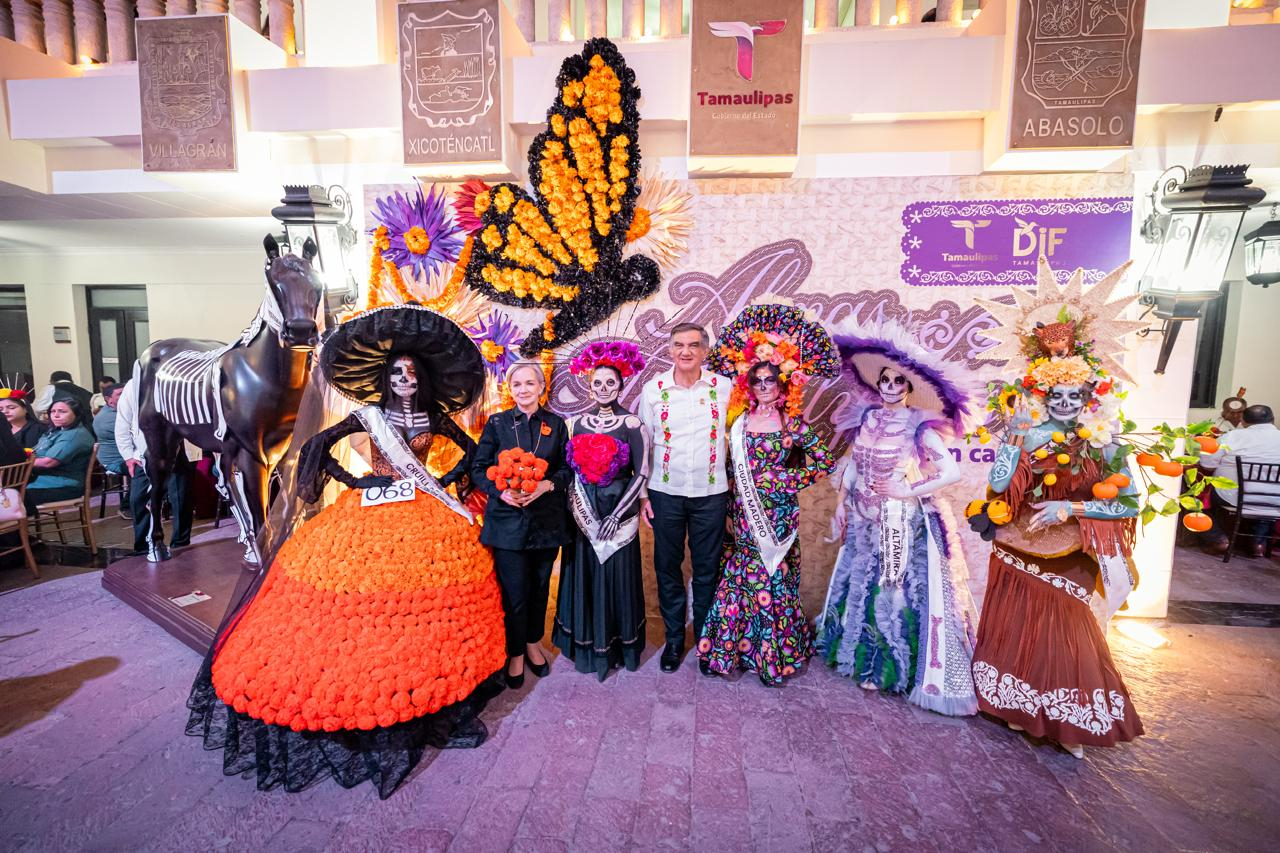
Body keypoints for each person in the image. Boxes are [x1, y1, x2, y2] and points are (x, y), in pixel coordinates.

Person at [187, 304, 506, 799]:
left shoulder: (435, 418)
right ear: (386, 377)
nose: (403, 378)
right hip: (370, 507)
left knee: (426, 609)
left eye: (410, 372)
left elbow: (472, 453)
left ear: (420, 378)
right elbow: (319, 446)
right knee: (342, 598)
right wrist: (354, 479)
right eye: (396, 372)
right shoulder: (369, 416)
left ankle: (427, 690)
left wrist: (446, 482)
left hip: (423, 512)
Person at [969, 261, 1145, 758]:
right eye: (1056, 394)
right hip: (1015, 542)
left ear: (1090, 395)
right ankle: (1015, 708)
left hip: (1071, 545)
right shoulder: (1029, 431)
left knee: (1066, 630)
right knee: (1016, 625)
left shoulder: (1106, 441)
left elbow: (1130, 501)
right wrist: (1015, 438)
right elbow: (1000, 484)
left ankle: (1067, 721)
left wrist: (1071, 507)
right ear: (1041, 393)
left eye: (1075, 394)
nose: (1065, 402)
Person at [815, 320, 980, 716]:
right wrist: (841, 501)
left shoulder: (919, 426)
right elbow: (854, 464)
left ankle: (891, 668)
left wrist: (907, 491)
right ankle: (860, 658)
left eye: (897, 382)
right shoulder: (868, 419)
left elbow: (950, 473)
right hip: (864, 518)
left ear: (909, 389)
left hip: (899, 523)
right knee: (861, 584)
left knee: (894, 591)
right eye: (884, 381)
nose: (889, 387)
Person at [696, 304, 839, 686]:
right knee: (742, 577)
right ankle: (730, 650)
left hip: (778, 517)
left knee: (772, 579)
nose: (763, 386)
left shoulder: (793, 423)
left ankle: (772, 658)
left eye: (770, 380)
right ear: (748, 383)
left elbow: (825, 462)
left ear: (782, 384)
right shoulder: (738, 423)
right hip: (743, 512)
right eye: (757, 380)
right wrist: (726, 503)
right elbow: (729, 469)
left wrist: (787, 479)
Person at [552, 341, 650, 680]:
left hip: (616, 515)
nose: (604, 388)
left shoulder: (633, 424)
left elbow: (642, 473)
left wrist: (615, 516)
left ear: (622, 385)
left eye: (611, 383)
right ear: (588, 384)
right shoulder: (576, 423)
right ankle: (585, 644)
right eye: (598, 383)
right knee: (586, 576)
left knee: (615, 578)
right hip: (584, 513)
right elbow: (571, 472)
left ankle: (618, 647)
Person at [472, 362, 573, 689]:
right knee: (514, 593)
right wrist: (499, 492)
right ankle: (515, 651)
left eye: (531, 383)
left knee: (541, 588)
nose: (524, 389)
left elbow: (567, 470)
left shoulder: (556, 425)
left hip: (545, 522)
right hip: (507, 524)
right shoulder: (498, 423)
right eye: (518, 384)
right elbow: (478, 468)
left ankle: (533, 641)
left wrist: (546, 486)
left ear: (541, 388)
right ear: (510, 389)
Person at [638, 324, 729, 673]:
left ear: (705, 350)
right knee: (667, 567)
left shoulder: (724, 388)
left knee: (708, 570)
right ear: (670, 349)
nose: (686, 351)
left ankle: (706, 644)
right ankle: (675, 640)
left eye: (693, 345)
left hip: (711, 493)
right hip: (666, 493)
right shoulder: (653, 389)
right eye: (679, 345)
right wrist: (643, 495)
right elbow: (643, 446)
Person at [116, 378, 193, 560]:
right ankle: (143, 545)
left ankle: (180, 544)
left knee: (181, 499)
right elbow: (123, 420)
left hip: (183, 447)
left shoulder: (184, 380)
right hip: (147, 449)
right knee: (139, 498)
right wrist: (128, 455)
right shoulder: (136, 383)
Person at [1199, 404, 1280, 556]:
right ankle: (1258, 543)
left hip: (1232, 498)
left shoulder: (1232, 437)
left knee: (1195, 497)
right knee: (1267, 499)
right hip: (1275, 502)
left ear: (1243, 421)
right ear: (1272, 420)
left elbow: (1207, 464)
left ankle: (1217, 539)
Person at [25, 398, 95, 514]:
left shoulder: (74, 435)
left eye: (62, 412)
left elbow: (49, 462)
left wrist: (19, 461)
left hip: (64, 485)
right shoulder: (57, 430)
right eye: (53, 411)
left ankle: (18, 532)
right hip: (42, 481)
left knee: (11, 498)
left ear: (76, 414)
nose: (56, 415)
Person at [93, 383, 126, 475]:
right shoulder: (108, 418)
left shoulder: (122, 411)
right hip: (116, 462)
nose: (127, 396)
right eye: (120, 394)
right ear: (108, 399)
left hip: (127, 458)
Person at [0, 386, 45, 451]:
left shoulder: (37, 429)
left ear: (25, 409)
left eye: (11, 407)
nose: (5, 411)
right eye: (0, 409)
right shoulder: (3, 428)